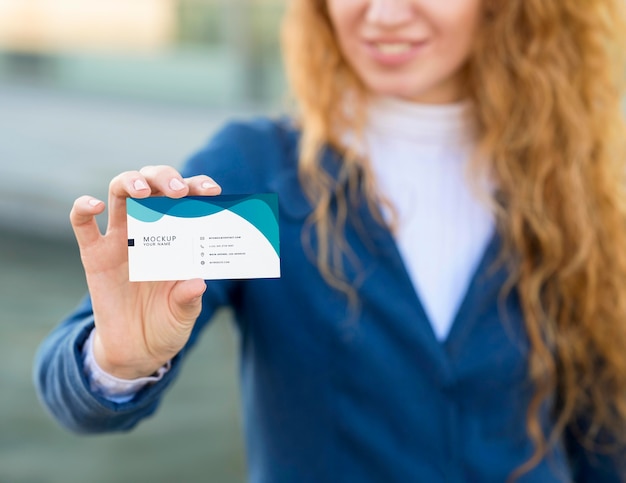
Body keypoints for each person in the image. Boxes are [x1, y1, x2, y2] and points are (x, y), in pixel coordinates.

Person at [34, 0, 626, 481]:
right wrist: (117, 363)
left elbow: (604, 437)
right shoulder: (257, 170)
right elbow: (76, 397)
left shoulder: (570, 182)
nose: (385, 13)